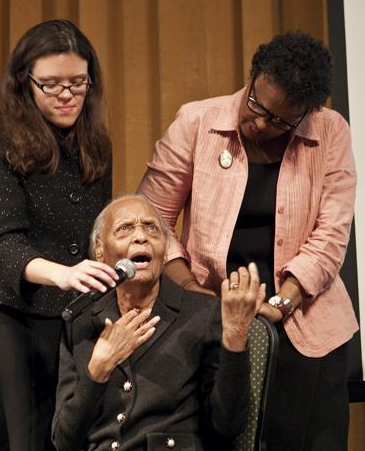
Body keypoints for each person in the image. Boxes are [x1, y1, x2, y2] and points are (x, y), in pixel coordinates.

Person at [137, 31, 358, 451]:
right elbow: (151, 220)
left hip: (305, 329)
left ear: (306, 114)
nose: (259, 122)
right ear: (252, 76)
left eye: (279, 120)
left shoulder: (330, 133)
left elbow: (330, 236)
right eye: (257, 104)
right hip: (210, 324)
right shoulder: (197, 122)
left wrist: (284, 301)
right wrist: (192, 292)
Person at [0, 20, 120, 451]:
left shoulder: (97, 146)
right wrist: (64, 274)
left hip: (75, 325)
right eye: (51, 85)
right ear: (24, 82)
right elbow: (3, 243)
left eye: (78, 82)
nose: (67, 95)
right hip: (12, 320)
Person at [52, 194, 265, 451]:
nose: (141, 237)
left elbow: (227, 425)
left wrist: (235, 337)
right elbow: (64, 441)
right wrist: (97, 370)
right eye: (124, 229)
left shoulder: (202, 314)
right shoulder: (81, 322)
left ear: (165, 251)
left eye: (152, 228)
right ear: (100, 249)